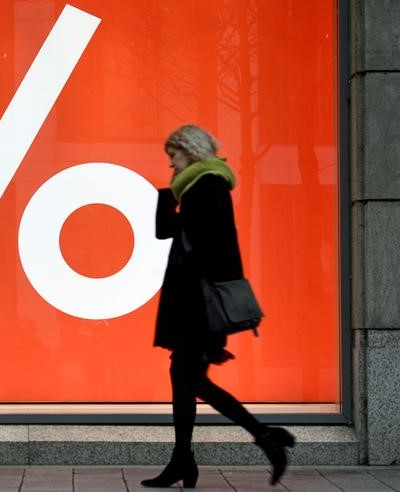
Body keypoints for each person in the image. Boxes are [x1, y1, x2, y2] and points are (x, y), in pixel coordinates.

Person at [141, 125, 295, 488]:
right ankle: (184, 461)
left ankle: (264, 437)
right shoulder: (195, 187)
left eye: (173, 156)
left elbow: (219, 247)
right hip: (189, 302)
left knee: (188, 379)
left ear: (189, 150)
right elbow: (169, 232)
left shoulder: (208, 186)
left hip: (196, 305)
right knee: (184, 380)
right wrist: (171, 193)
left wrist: (215, 329)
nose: (171, 164)